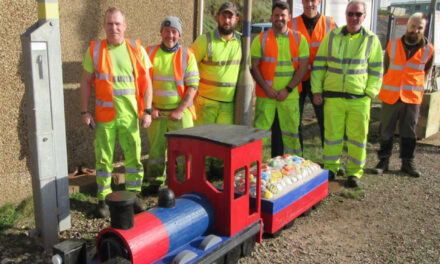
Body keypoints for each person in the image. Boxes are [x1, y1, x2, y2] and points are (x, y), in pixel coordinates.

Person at [79, 7, 153, 218]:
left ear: (125, 26)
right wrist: (84, 111)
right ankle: (103, 200)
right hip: (104, 117)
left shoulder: (136, 49)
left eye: (118, 24)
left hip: (130, 116)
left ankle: (134, 195)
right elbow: (85, 82)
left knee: (133, 157)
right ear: (104, 26)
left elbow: (147, 82)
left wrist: (147, 110)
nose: (114, 28)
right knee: (103, 159)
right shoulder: (94, 50)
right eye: (110, 24)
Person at [311, 1, 383, 187]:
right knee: (332, 136)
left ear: (364, 17)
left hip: (359, 99)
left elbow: (376, 70)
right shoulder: (332, 36)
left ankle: (354, 173)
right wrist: (317, 90)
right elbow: (319, 65)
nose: (354, 18)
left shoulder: (371, 40)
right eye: (350, 14)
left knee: (357, 138)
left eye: (358, 14)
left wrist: (370, 93)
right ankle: (331, 169)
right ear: (346, 15)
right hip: (333, 98)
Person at [142, 16, 199, 194]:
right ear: (161, 32)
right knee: (156, 151)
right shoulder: (150, 52)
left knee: (184, 152)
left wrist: (180, 110)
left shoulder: (187, 54)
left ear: (179, 35)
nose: (170, 35)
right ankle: (154, 183)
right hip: (157, 114)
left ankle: (184, 183)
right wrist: (150, 109)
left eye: (174, 32)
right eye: (166, 31)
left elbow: (193, 86)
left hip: (181, 113)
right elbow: (142, 84)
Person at [373, 13, 433, 178]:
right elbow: (386, 69)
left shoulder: (429, 50)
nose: (416, 30)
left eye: (419, 27)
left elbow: (425, 72)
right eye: (413, 26)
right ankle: (383, 161)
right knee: (386, 130)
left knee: (409, 132)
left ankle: (407, 163)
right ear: (407, 26)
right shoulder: (392, 45)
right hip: (391, 97)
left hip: (412, 98)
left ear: (424, 28)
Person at [251, 1, 309, 158]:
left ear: (289, 17)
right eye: (276, 15)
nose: (279, 18)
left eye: (283, 15)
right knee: (259, 136)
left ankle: (294, 170)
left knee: (292, 135)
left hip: (289, 97)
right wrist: (267, 88)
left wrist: (287, 89)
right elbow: (254, 67)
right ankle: (254, 169)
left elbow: (303, 68)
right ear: (271, 17)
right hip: (266, 97)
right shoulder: (261, 39)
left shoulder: (299, 39)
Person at [288, 0, 336, 150]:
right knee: (294, 122)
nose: (310, 4)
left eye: (313, 0)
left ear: (319, 1)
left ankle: (330, 159)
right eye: (306, 0)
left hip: (320, 82)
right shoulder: (291, 24)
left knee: (326, 122)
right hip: (297, 80)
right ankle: (297, 160)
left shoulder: (330, 24)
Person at [191, 1, 241, 126]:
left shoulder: (242, 42)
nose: (227, 20)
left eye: (230, 17)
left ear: (237, 19)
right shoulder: (204, 41)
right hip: (205, 104)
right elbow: (188, 68)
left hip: (228, 106)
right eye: (224, 16)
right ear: (217, 17)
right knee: (202, 142)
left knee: (223, 142)